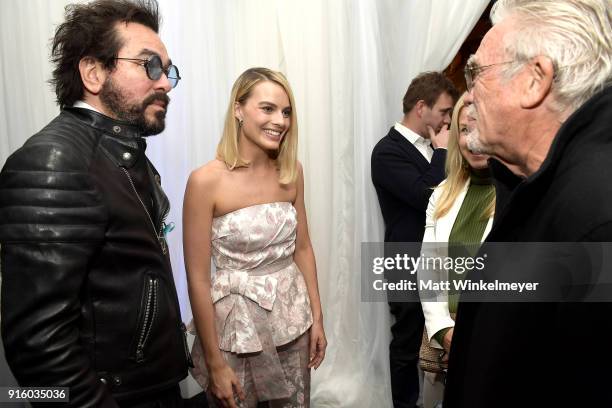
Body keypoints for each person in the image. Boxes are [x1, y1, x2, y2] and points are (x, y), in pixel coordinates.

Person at [0, 0, 189, 407]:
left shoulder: (120, 152)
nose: (166, 84)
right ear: (93, 72)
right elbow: (38, 347)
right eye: (149, 66)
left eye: (168, 70)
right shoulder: (55, 162)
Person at [444, 0, 612, 407]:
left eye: (476, 72)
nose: (467, 94)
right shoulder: (529, 186)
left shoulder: (596, 220)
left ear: (534, 81)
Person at [183, 67, 327, 408]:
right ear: (238, 108)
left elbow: (303, 248)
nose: (280, 120)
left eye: (287, 111)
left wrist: (317, 319)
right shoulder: (205, 181)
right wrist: (215, 361)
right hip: (236, 331)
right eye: (268, 108)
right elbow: (198, 280)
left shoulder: (291, 172)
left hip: (293, 322)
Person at [371, 71, 458, 407]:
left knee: (444, 340)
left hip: (444, 259)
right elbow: (425, 197)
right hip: (405, 262)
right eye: (444, 111)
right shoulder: (386, 152)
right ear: (421, 107)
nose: (449, 120)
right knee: (407, 344)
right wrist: (440, 153)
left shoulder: (442, 147)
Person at [418, 94, 494, 408]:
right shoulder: (442, 195)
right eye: (463, 130)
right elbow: (428, 267)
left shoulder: (517, 194)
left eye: (479, 128)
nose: (471, 139)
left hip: (491, 334)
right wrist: (443, 329)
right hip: (442, 337)